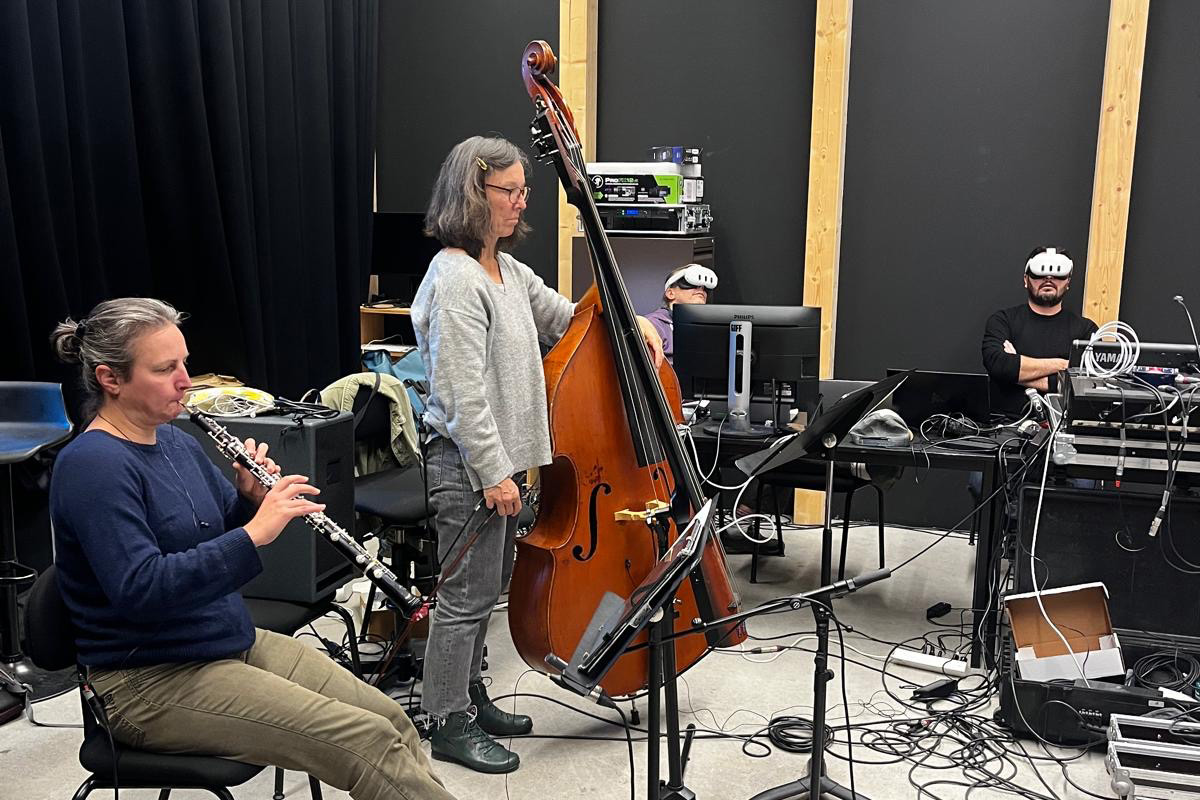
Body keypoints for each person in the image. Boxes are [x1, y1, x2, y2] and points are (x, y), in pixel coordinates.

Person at [49, 298, 453, 800]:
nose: (185, 380)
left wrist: (249, 501)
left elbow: (216, 537)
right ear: (111, 379)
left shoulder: (174, 442)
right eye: (165, 368)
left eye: (183, 363)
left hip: (224, 640)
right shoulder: (93, 466)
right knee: (367, 742)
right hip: (147, 681)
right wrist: (255, 532)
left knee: (390, 718)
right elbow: (142, 589)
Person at [413, 135, 663, 774]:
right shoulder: (456, 278)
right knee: (464, 598)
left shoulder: (510, 273)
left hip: (502, 470)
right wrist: (494, 471)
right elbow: (460, 392)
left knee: (487, 589)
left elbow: (569, 318)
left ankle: (469, 695)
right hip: (468, 467)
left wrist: (631, 319)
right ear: (475, 193)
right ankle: (446, 721)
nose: (523, 203)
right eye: (511, 192)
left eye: (525, 190)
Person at [981, 247, 1098, 418]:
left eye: (1058, 275)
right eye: (1039, 274)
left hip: (1062, 428)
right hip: (1005, 427)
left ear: (1068, 282)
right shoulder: (1002, 320)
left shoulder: (1086, 329)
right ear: (1026, 280)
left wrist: (1016, 371)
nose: (1049, 279)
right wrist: (1066, 365)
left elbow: (1087, 383)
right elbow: (998, 365)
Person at [644, 263, 719, 364]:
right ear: (670, 293)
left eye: (704, 288)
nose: (701, 290)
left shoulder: (707, 328)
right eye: (692, 285)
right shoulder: (654, 324)